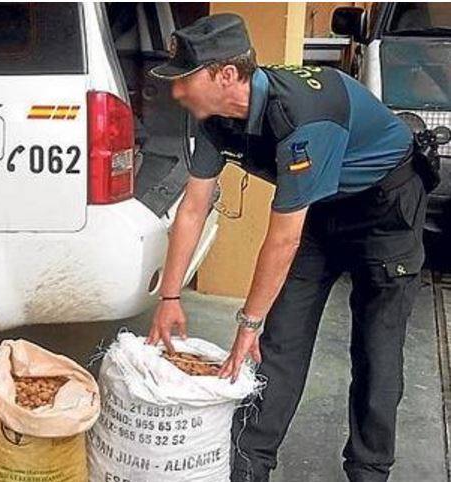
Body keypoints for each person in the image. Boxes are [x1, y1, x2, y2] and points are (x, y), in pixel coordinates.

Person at [145, 14, 426, 482]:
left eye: (185, 81)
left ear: (226, 75)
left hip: (386, 211)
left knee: (377, 351)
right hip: (323, 208)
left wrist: (245, 320)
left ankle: (368, 470)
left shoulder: (302, 115)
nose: (176, 92)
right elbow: (193, 208)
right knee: (277, 342)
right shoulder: (214, 118)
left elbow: (283, 236)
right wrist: (170, 297)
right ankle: (249, 463)